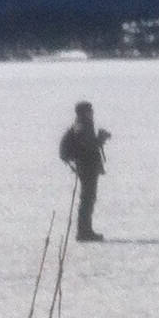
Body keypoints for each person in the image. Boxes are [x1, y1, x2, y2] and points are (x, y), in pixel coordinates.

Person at [57, 100, 110, 241]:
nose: (92, 112)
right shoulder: (82, 125)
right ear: (85, 112)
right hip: (86, 167)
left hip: (86, 166)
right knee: (87, 199)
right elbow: (88, 147)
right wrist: (100, 139)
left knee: (88, 199)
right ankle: (84, 232)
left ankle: (86, 230)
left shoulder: (82, 124)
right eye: (90, 110)